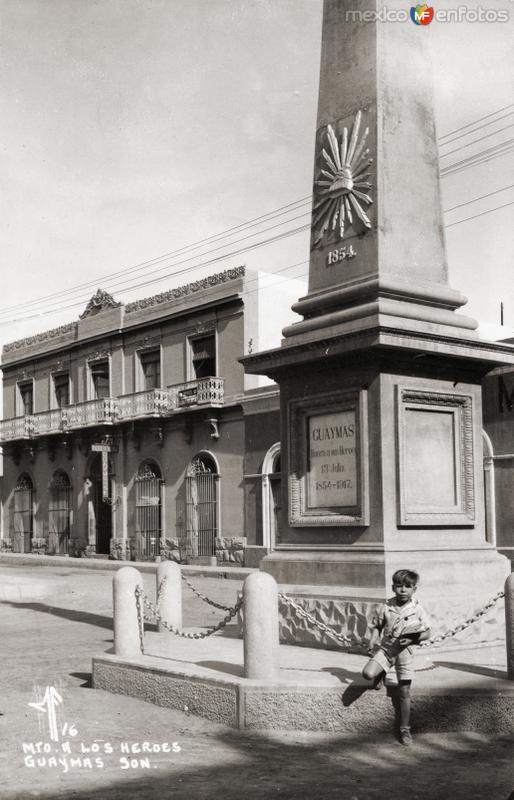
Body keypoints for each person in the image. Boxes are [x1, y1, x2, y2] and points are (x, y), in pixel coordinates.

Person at [362, 569, 431, 745]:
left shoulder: (417, 609)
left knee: (404, 691)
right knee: (368, 674)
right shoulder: (387, 606)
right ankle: (381, 673)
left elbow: (428, 632)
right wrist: (373, 640)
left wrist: (414, 638)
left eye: (408, 587)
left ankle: (405, 729)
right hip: (386, 650)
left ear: (414, 589)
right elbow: (377, 626)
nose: (403, 590)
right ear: (393, 587)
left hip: (404, 653)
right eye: (399, 586)